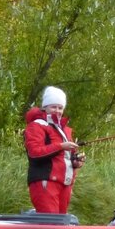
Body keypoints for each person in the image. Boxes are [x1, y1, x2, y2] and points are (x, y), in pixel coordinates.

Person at [24, 85, 85, 214]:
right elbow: (34, 153)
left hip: (64, 183)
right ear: (45, 107)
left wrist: (76, 162)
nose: (57, 111)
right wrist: (61, 146)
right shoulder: (36, 125)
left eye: (60, 107)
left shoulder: (65, 130)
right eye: (53, 107)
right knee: (51, 225)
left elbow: (66, 157)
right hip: (45, 181)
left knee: (60, 225)